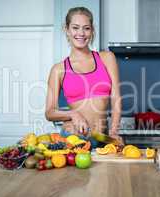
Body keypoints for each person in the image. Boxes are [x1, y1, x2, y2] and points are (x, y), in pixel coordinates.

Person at [45, 7, 123, 145]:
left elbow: (116, 98)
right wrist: (73, 114)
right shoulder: (58, 70)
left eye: (86, 28)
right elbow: (49, 112)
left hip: (102, 137)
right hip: (73, 138)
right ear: (67, 29)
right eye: (75, 28)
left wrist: (114, 132)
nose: (81, 33)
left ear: (92, 30)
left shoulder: (106, 58)